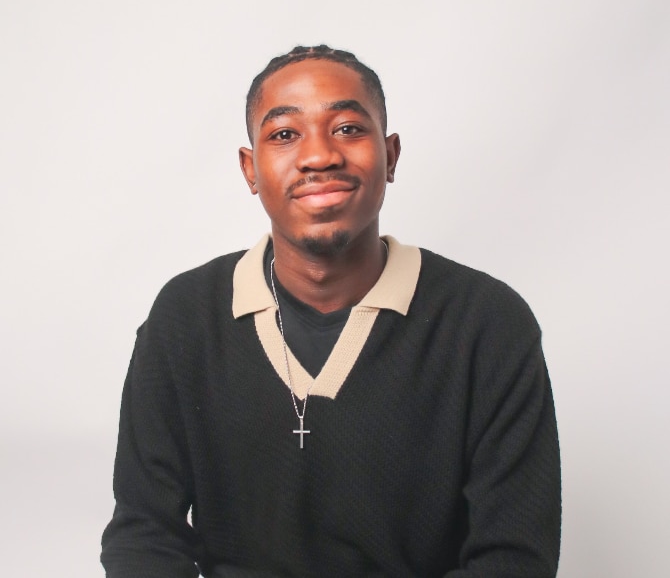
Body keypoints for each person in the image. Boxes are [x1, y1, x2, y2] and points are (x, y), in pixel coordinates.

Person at [101, 44, 561, 577]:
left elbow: (513, 560)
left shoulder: (487, 324)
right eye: (284, 134)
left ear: (390, 155)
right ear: (251, 170)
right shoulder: (184, 319)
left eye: (347, 128)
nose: (319, 155)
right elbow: (143, 535)